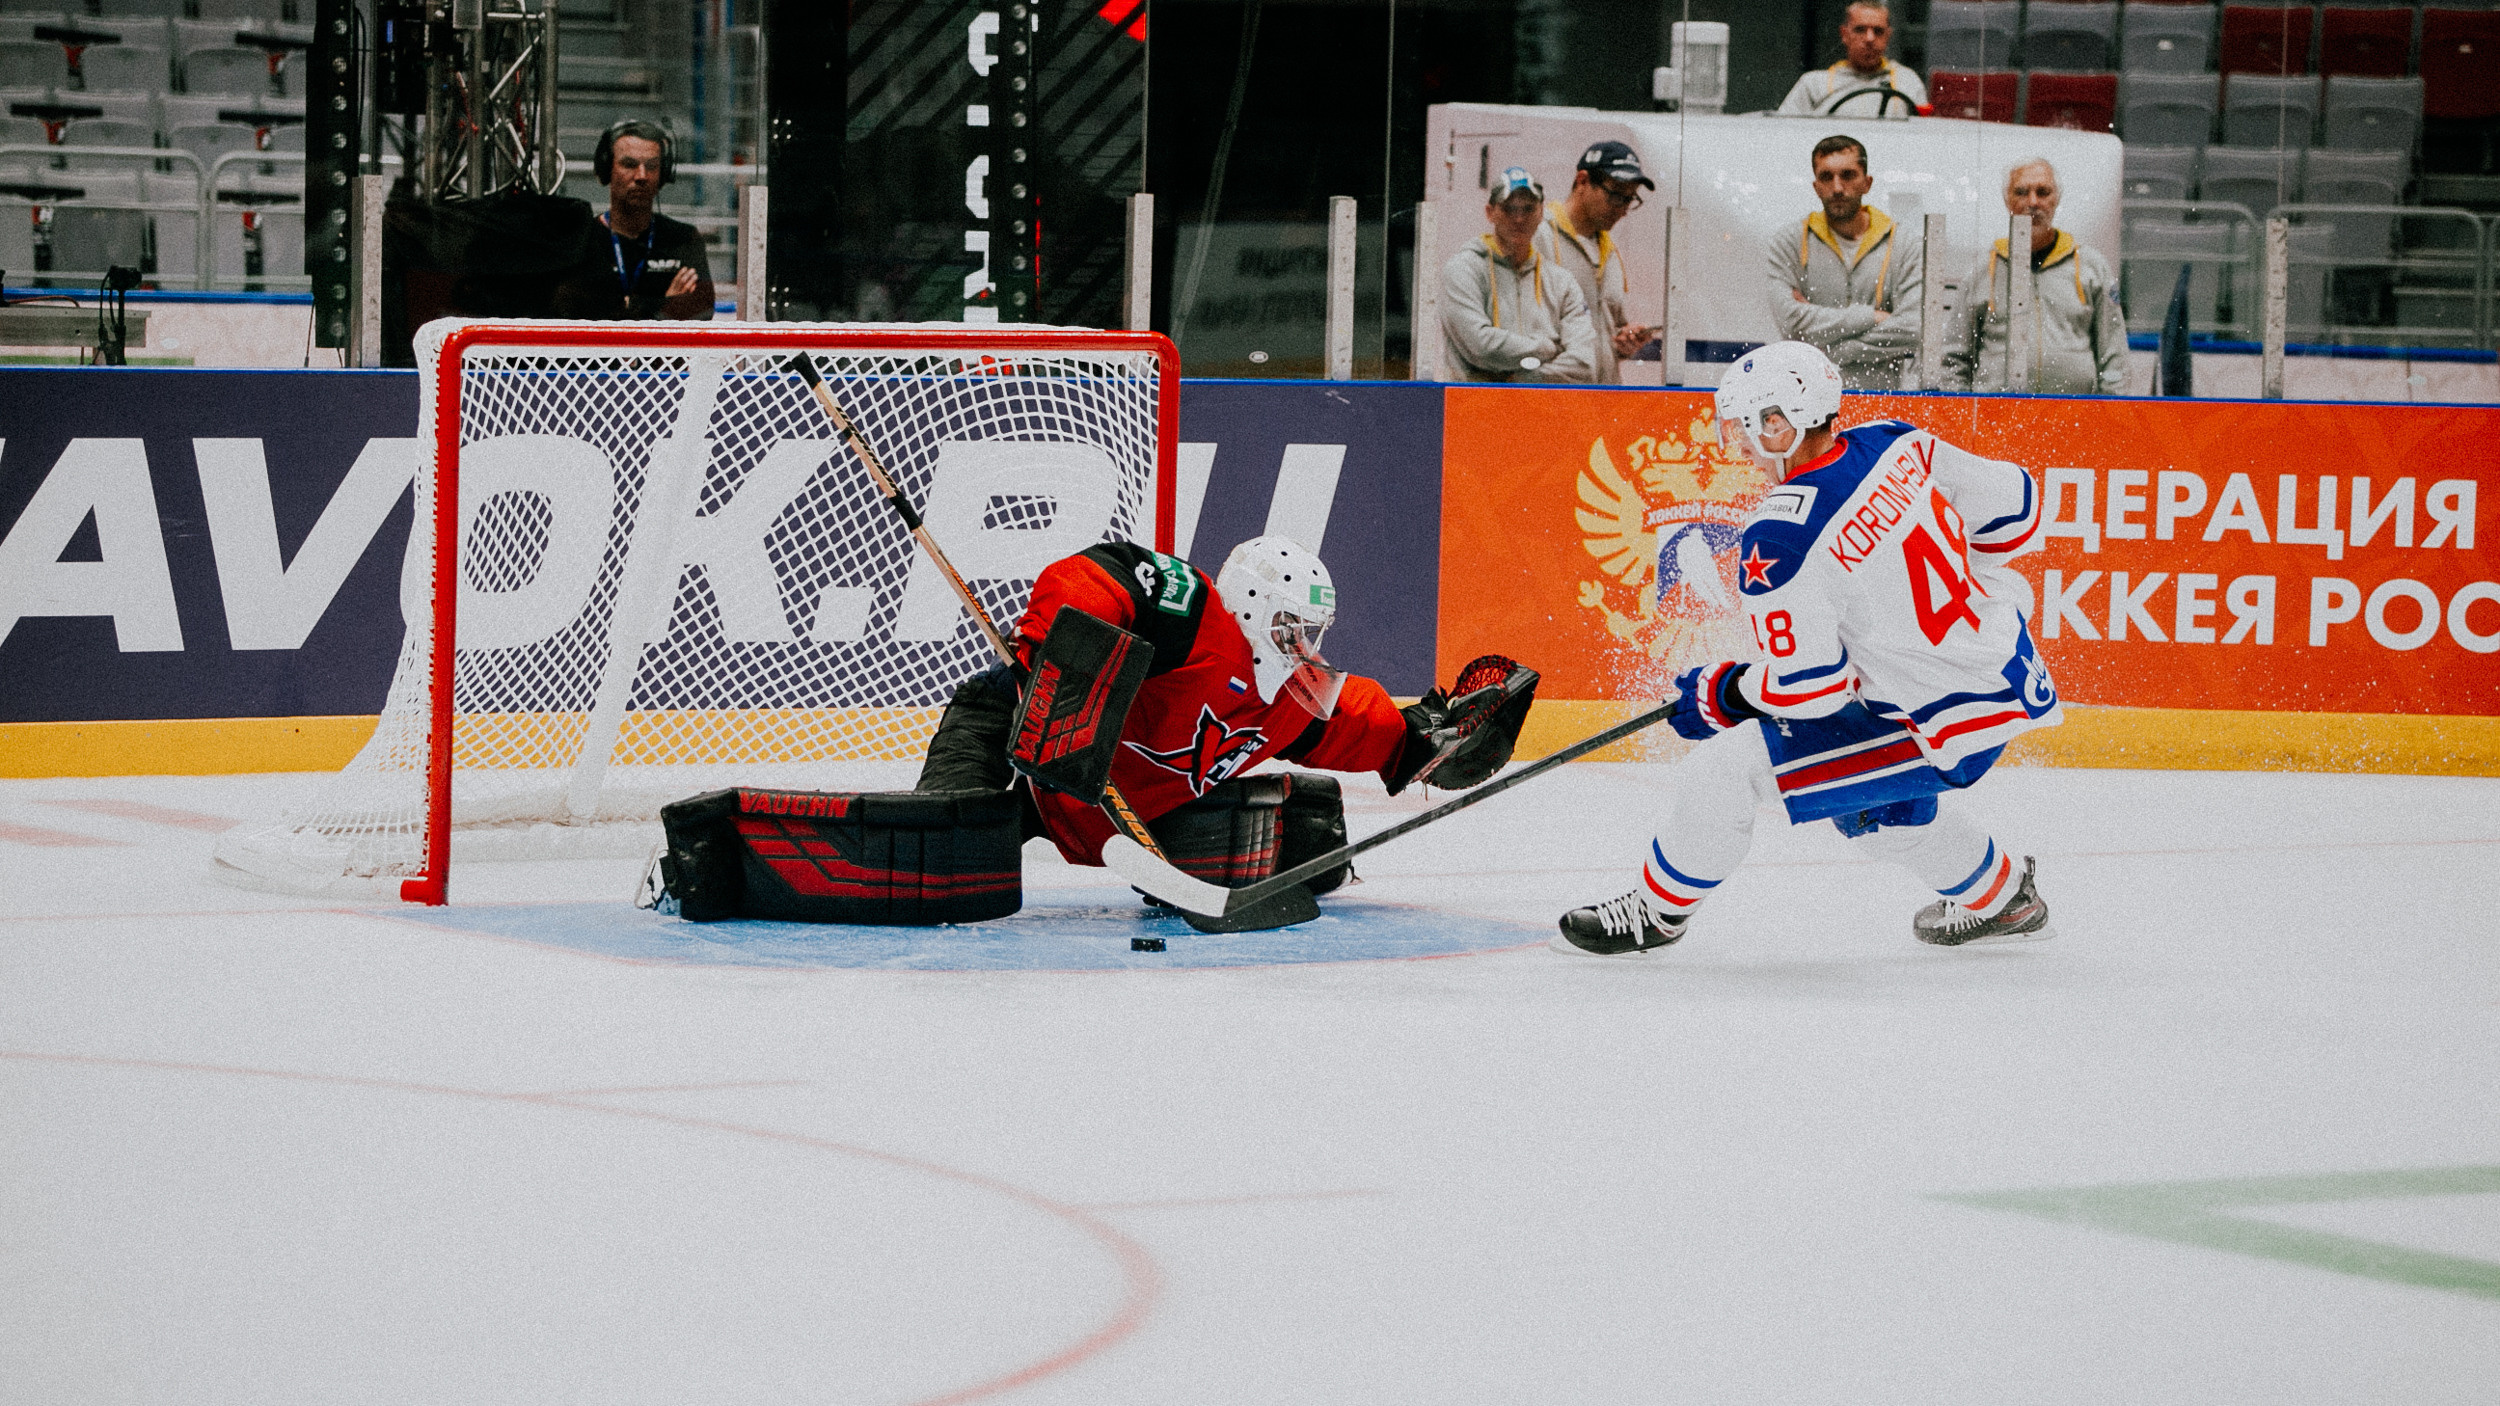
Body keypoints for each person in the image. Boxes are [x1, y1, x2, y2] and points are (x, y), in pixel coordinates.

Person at [1553, 341, 2062, 958]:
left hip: (1941, 719)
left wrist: (1723, 692)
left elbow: (1816, 691)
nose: (1739, 443)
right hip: (2003, 669)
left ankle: (1656, 914)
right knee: (1873, 812)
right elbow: (2019, 512)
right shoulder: (1895, 441)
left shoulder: (1781, 533)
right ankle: (2004, 898)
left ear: (1779, 422)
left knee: (1728, 766)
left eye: (1746, 426)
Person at [917, 536, 1530, 890]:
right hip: (1029, 750)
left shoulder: (1295, 695)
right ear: (1252, 605)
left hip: (1120, 818)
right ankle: (935, 823)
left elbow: (1366, 725)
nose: (1303, 646)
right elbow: (1093, 573)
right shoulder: (1193, 617)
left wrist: (1429, 745)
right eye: (1291, 625)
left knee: (1309, 851)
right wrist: (1058, 663)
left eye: (1312, 631)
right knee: (942, 862)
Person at [1942, 159, 2129, 396]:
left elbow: (2114, 354)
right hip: (1999, 420)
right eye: (2021, 192)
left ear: (2056, 199)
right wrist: (1961, 414)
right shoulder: (1982, 271)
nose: (2033, 202)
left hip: (2075, 417)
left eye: (2043, 192)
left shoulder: (2092, 266)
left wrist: (2112, 414)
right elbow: (1954, 358)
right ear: (2007, 201)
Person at [1766, 134, 1922, 391]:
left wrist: (1834, 351)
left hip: (1880, 400)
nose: (1837, 188)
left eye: (1848, 175)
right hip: (1807, 399)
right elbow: (1791, 323)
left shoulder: (1904, 244)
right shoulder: (1789, 243)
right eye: (1826, 177)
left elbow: (1914, 327)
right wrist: (1871, 317)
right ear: (1816, 186)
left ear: (1867, 183)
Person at [1441, 166, 1597, 383]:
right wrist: (1547, 348)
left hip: (1541, 412)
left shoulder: (1562, 282)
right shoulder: (1464, 270)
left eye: (1528, 209)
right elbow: (1480, 347)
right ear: (1490, 212)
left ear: (1541, 212)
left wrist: (1524, 377)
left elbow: (1583, 364)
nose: (1519, 219)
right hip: (1476, 410)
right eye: (1509, 209)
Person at [557, 119, 714, 320]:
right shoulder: (582, 240)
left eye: (652, 166)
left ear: (663, 173)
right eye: (629, 164)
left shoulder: (684, 238)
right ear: (607, 169)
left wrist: (627, 306)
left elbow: (701, 310)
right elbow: (574, 312)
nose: (641, 175)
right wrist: (661, 303)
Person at [1537, 140, 1660, 384]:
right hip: (1552, 398)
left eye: (1629, 199)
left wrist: (1623, 343)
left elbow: (1605, 332)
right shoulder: (1539, 238)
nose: (1623, 210)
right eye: (1615, 195)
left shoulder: (1609, 251)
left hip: (1603, 402)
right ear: (1582, 181)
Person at [1778, 2, 1928, 118]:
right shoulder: (1813, 83)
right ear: (1844, 34)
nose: (1870, 38)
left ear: (1888, 36)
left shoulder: (1907, 81)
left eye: (1878, 31)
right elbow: (1784, 131)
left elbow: (1922, 135)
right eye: (1860, 30)